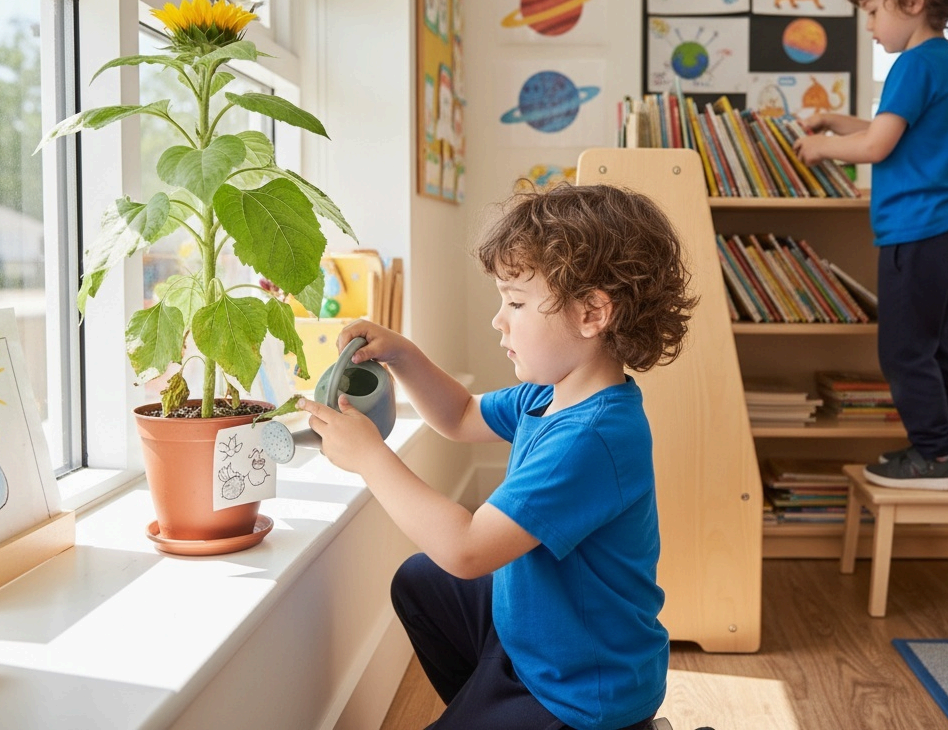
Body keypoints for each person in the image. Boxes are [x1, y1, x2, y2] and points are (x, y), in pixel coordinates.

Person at [299, 182, 697, 729]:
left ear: (591, 313)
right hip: (535, 638)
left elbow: (466, 550)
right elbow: (461, 415)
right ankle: (489, 703)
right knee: (420, 582)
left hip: (580, 691)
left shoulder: (591, 437)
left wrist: (370, 458)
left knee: (446, 568)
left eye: (515, 302)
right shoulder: (550, 394)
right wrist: (403, 353)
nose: (498, 320)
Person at [793, 0, 948, 491]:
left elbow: (876, 147)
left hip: (916, 234)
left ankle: (933, 456)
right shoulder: (941, 61)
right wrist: (839, 121)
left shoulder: (914, 64)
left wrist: (822, 144)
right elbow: (884, 131)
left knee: (902, 353)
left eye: (873, 11)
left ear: (913, 0)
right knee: (934, 348)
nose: (870, 26)